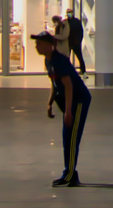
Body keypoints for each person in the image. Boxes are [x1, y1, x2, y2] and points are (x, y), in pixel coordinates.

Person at [33, 30, 90, 188]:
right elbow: (54, 83)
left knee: (72, 138)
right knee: (67, 137)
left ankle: (70, 174)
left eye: (39, 43)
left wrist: (69, 111)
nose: (36, 46)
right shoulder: (48, 61)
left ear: (50, 45)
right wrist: (50, 103)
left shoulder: (59, 60)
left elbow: (69, 86)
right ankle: (69, 172)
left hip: (78, 100)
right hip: (67, 101)